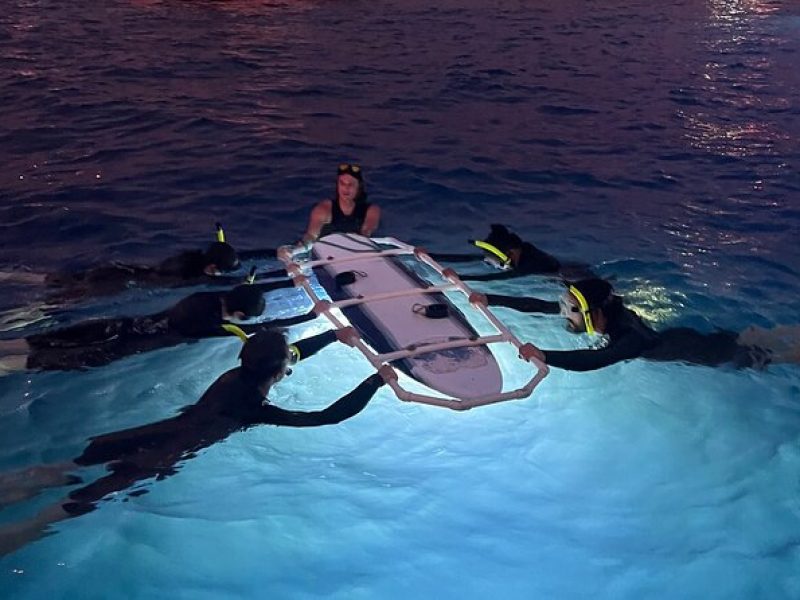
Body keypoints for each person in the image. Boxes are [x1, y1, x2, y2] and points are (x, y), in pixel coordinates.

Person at [0, 327, 396, 556]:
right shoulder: (252, 407)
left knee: (64, 469)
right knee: (82, 500)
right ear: (277, 372)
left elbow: (287, 355)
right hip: (158, 456)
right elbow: (327, 416)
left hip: (145, 434)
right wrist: (379, 379)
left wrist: (333, 335)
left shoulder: (237, 374)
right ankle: (18, 534)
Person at [470, 278, 800, 372]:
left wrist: (543, 354)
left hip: (709, 354)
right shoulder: (607, 316)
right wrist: (490, 297)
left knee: (763, 357)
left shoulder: (628, 337)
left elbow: (595, 360)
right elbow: (539, 306)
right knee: (754, 340)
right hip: (685, 338)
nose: (564, 314)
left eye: (571, 310)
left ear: (595, 312)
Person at [0, 279, 314, 373]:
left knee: (45, 340)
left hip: (117, 326)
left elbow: (250, 292)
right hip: (120, 347)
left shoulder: (210, 296)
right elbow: (269, 327)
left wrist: (288, 280)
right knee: (45, 362)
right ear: (240, 316)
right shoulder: (208, 326)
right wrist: (311, 316)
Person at [0, 224, 288, 306]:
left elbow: (240, 258)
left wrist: (275, 252)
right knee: (53, 305)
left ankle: (8, 275)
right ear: (212, 268)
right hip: (116, 284)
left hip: (119, 269)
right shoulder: (195, 277)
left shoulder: (191, 258)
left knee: (54, 280)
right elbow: (229, 283)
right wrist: (284, 274)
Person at [430, 224, 593, 282]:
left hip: (570, 276)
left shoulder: (532, 262)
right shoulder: (512, 257)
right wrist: (432, 256)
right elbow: (473, 258)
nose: (495, 262)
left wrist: (462, 278)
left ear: (512, 252)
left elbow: (504, 277)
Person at [302, 163, 381, 243]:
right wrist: (297, 248)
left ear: (359, 187)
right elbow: (311, 236)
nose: (346, 188)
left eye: (351, 184)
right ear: (337, 185)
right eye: (342, 183)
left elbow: (366, 231)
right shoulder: (323, 210)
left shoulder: (372, 210)